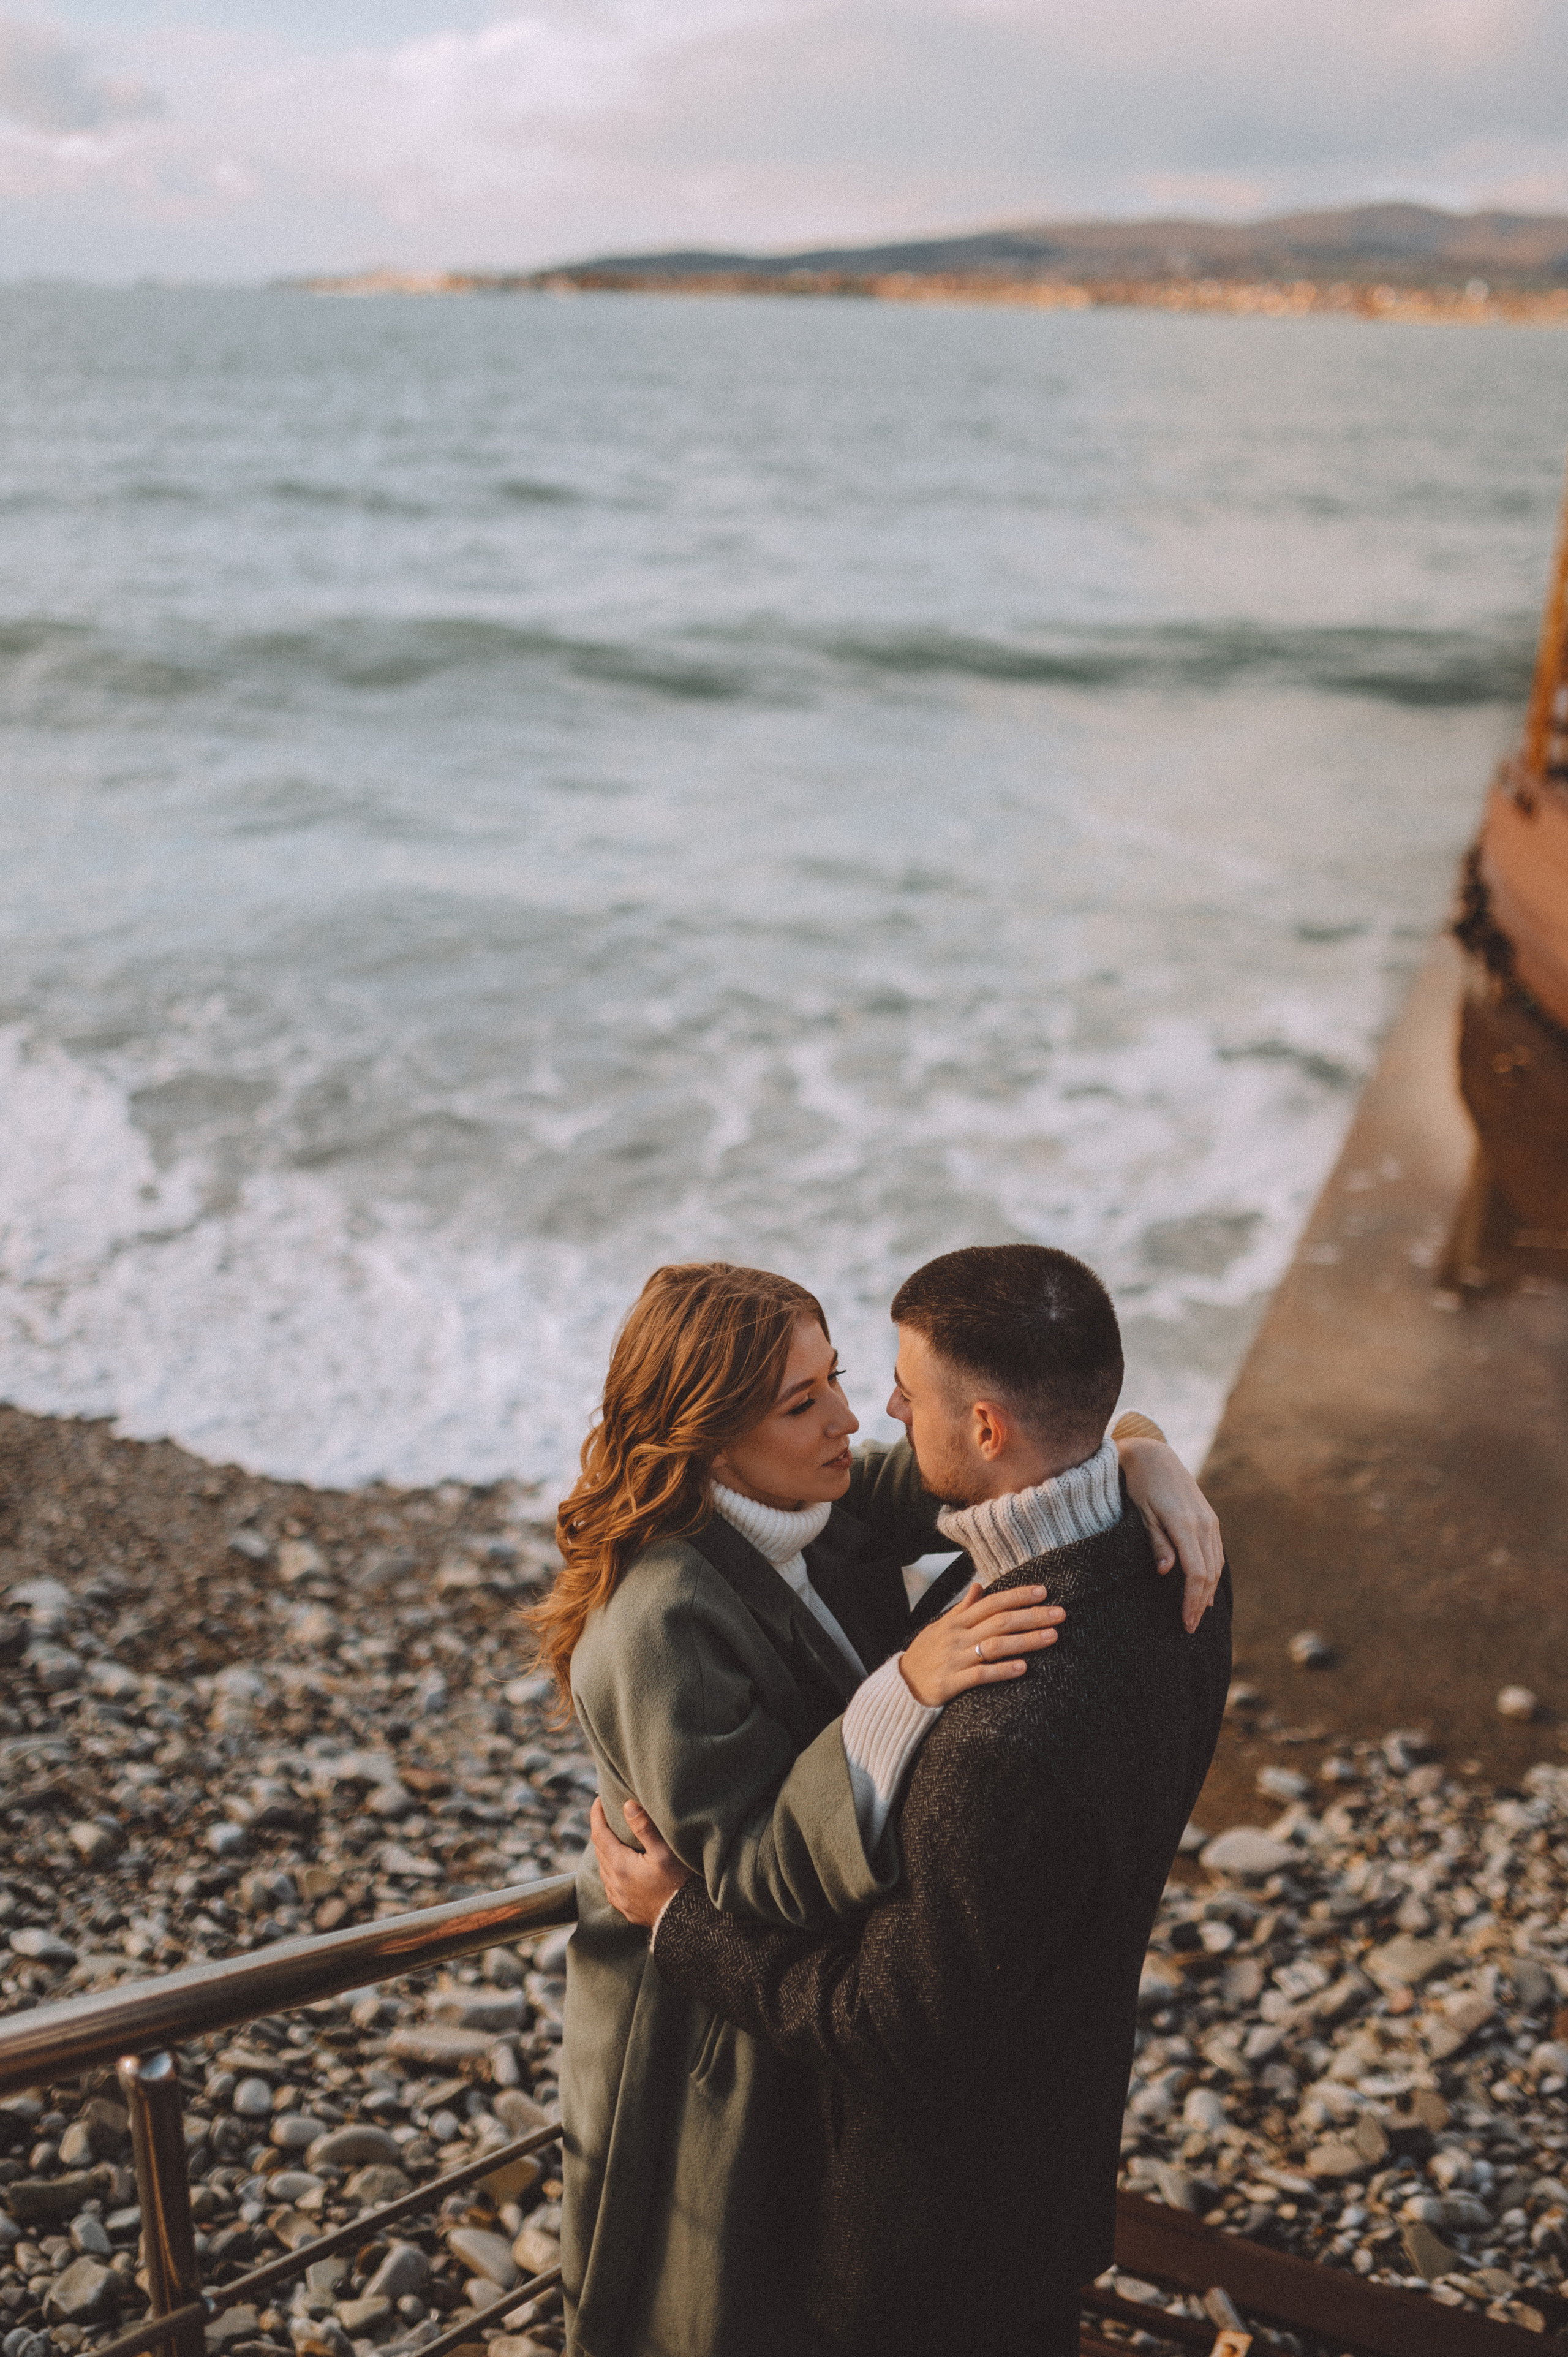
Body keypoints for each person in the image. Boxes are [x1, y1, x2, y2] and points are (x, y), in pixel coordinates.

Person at [530, 1258, 1223, 2357]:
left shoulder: (820, 1492)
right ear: (708, 1437)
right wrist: (900, 1690)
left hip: (821, 1983)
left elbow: (1015, 1449)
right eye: (803, 1403)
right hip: (704, 2002)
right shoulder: (660, 1624)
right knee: (708, 2290)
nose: (853, 1420)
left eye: (840, 1378)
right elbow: (748, 1869)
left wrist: (1140, 1447)